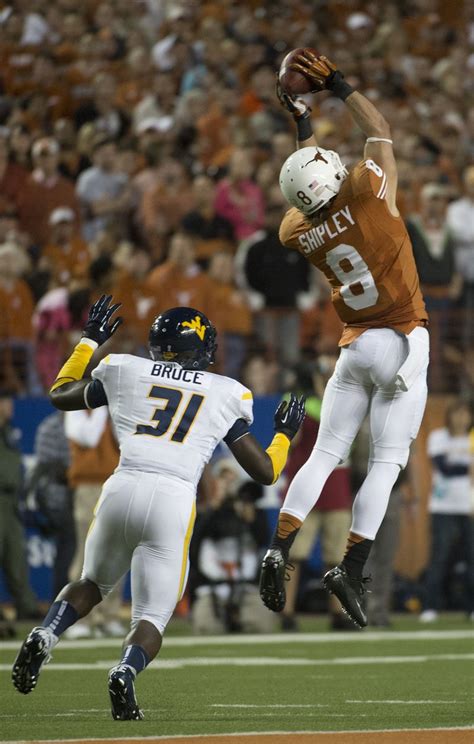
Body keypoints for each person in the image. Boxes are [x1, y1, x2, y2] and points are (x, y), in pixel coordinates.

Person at [12, 296, 305, 720]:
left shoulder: (125, 369)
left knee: (92, 583)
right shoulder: (225, 392)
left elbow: (59, 395)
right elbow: (264, 472)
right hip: (173, 498)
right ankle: (125, 673)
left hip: (122, 486)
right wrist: (283, 435)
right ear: (201, 349)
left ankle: (46, 632)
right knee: (151, 616)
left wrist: (89, 341)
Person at [259, 51, 429, 629]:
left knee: (326, 454)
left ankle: (280, 545)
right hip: (402, 338)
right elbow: (378, 130)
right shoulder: (367, 192)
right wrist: (336, 84)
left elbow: (307, 180)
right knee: (386, 462)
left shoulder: (294, 229)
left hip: (353, 348)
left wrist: (301, 117)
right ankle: (352, 565)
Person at [419, 400, 473, 622]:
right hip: (442, 507)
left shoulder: (471, 439)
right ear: (450, 415)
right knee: (438, 557)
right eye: (457, 413)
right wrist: (468, 468)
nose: (461, 418)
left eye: (465, 414)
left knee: (471, 558)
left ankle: (471, 608)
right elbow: (444, 468)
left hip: (469, 507)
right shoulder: (438, 437)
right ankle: (430, 607)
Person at [0, 392, 41, 621]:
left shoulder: (8, 431)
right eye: (6, 401)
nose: (10, 405)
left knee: (16, 555)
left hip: (11, 499)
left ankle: (26, 606)